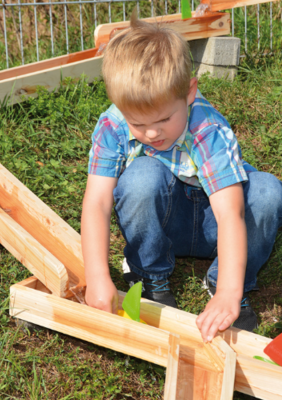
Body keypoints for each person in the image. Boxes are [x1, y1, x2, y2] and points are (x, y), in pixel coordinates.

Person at [81, 10, 282, 343]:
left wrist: (228, 292)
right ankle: (149, 276)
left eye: (163, 119)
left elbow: (230, 215)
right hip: (165, 223)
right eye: (137, 123)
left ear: (189, 93)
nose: (150, 133)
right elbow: (97, 202)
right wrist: (97, 275)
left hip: (216, 226)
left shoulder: (208, 129)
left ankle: (225, 286)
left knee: (267, 193)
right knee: (140, 177)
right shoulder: (113, 123)